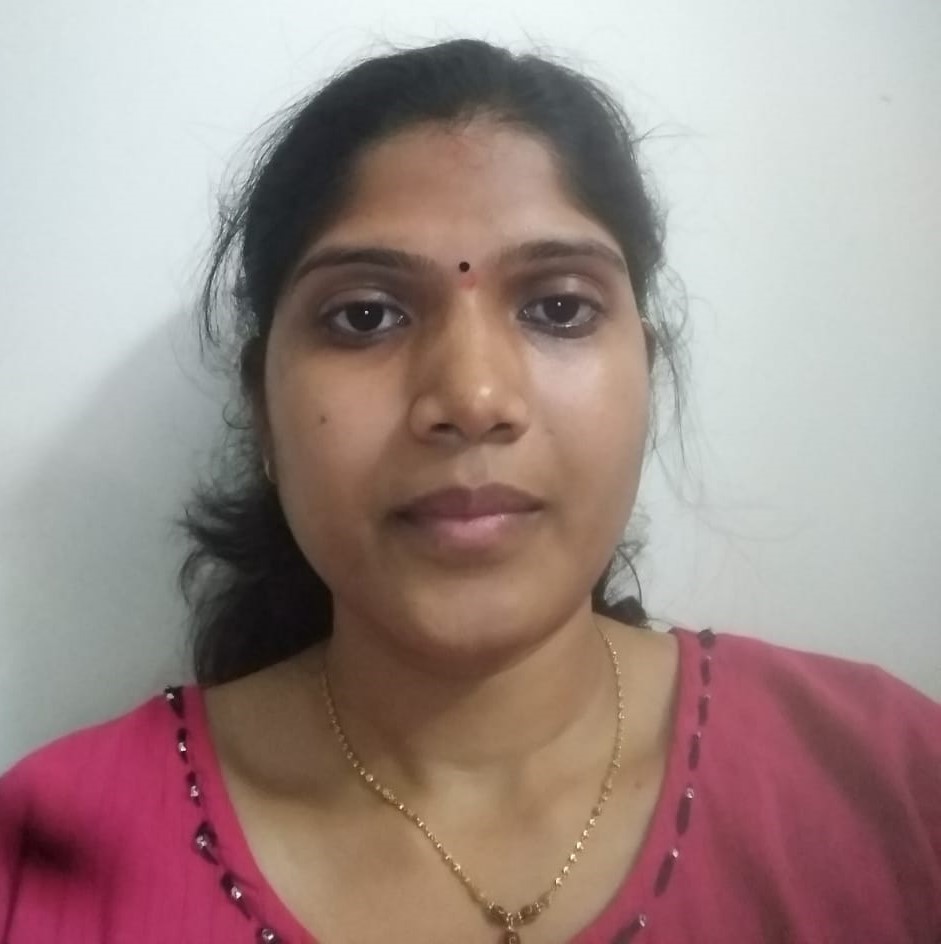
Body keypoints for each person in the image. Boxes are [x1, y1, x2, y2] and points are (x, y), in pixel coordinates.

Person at [0, 37, 938, 944]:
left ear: (645, 377)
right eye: (365, 316)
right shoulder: (40, 864)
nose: (473, 398)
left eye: (558, 308)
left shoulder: (889, 784)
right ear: (264, 409)